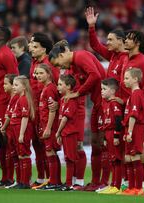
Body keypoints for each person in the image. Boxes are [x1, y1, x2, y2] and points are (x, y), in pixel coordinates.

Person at [49, 45, 106, 191]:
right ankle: (95, 181)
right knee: (96, 143)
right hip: (97, 103)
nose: (60, 67)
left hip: (104, 104)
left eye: (58, 64)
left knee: (104, 143)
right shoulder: (74, 65)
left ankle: (107, 182)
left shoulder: (80, 56)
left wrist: (78, 93)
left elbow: (96, 76)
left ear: (61, 55)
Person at [28, 32, 59, 188]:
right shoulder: (34, 62)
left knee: (49, 146)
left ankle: (53, 179)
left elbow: (57, 87)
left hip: (47, 111)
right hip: (36, 110)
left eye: (35, 46)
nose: (31, 49)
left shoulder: (50, 64)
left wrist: (57, 104)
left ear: (44, 49)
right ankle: (42, 178)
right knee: (37, 144)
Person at [0, 26, 19, 185]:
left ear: (1, 37)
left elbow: (14, 79)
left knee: (7, 139)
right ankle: (5, 177)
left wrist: (11, 103)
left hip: (4, 103)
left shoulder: (6, 55)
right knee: (1, 140)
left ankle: (10, 177)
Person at [124, 30, 144, 190]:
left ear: (138, 43)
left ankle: (141, 184)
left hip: (135, 108)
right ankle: (131, 183)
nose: (126, 41)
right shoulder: (128, 59)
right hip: (127, 106)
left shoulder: (142, 62)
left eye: (129, 39)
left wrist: (134, 100)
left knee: (138, 146)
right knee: (131, 148)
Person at [35, 64, 62, 190]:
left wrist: (48, 128)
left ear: (49, 74)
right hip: (46, 125)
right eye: (37, 73)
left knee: (50, 152)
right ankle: (56, 181)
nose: (38, 76)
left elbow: (52, 110)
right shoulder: (45, 88)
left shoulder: (50, 88)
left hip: (50, 126)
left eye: (41, 73)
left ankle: (54, 182)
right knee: (51, 153)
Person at [97, 78, 124, 195]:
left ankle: (117, 186)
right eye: (101, 89)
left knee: (116, 160)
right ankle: (113, 184)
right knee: (112, 160)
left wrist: (116, 136)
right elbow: (106, 122)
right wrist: (104, 138)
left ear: (113, 91)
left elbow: (118, 119)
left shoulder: (114, 103)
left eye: (104, 89)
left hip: (113, 133)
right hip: (108, 133)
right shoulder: (107, 103)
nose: (101, 91)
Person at [122, 68, 144, 196]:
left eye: (126, 78)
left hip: (135, 128)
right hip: (130, 128)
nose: (124, 81)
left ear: (135, 79)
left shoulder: (137, 94)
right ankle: (131, 188)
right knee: (128, 158)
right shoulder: (133, 94)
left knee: (135, 157)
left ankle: (139, 188)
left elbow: (133, 115)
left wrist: (130, 132)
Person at [9, 75, 35, 189]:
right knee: (20, 155)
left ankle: (25, 182)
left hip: (21, 130)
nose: (14, 87)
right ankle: (21, 181)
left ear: (24, 87)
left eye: (16, 85)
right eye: (13, 85)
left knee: (24, 155)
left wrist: (21, 134)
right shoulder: (19, 98)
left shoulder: (24, 99)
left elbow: (25, 118)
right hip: (16, 129)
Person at [55, 74, 79, 191]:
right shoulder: (63, 99)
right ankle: (69, 182)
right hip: (65, 133)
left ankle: (70, 183)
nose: (57, 87)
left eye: (60, 84)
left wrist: (58, 132)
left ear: (68, 86)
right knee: (68, 157)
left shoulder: (72, 100)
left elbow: (65, 118)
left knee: (70, 158)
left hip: (70, 133)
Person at [0, 74, 20, 187]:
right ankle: (17, 180)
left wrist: (3, 127)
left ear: (13, 86)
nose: (3, 86)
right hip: (10, 130)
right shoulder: (12, 98)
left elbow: (10, 116)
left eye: (5, 83)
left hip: (13, 130)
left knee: (17, 154)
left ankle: (19, 180)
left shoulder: (16, 98)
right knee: (13, 154)